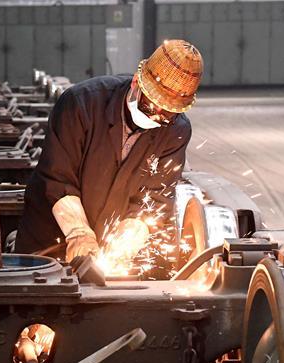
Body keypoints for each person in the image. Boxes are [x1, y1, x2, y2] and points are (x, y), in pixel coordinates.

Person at [15, 40, 204, 266]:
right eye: (151, 107)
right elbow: (58, 179)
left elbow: (155, 198)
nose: (156, 117)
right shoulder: (80, 104)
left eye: (167, 115)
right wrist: (79, 233)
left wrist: (128, 237)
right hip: (49, 245)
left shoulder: (176, 130)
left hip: (109, 254)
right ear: (136, 83)